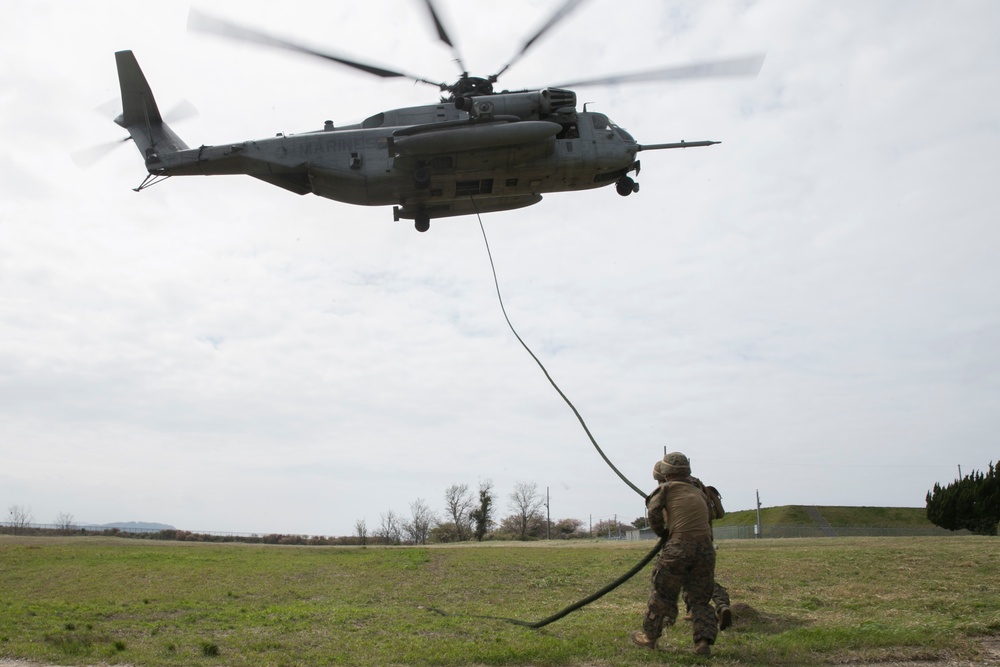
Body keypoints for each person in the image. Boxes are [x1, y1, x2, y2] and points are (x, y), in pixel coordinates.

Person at [632, 452, 718, 655]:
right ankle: (702, 642)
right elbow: (709, 517)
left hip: (678, 548)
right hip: (705, 549)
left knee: (662, 594)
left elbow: (654, 512)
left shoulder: (665, 488)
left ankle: (650, 637)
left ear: (665, 472)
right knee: (700, 599)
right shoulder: (698, 491)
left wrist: (663, 533)